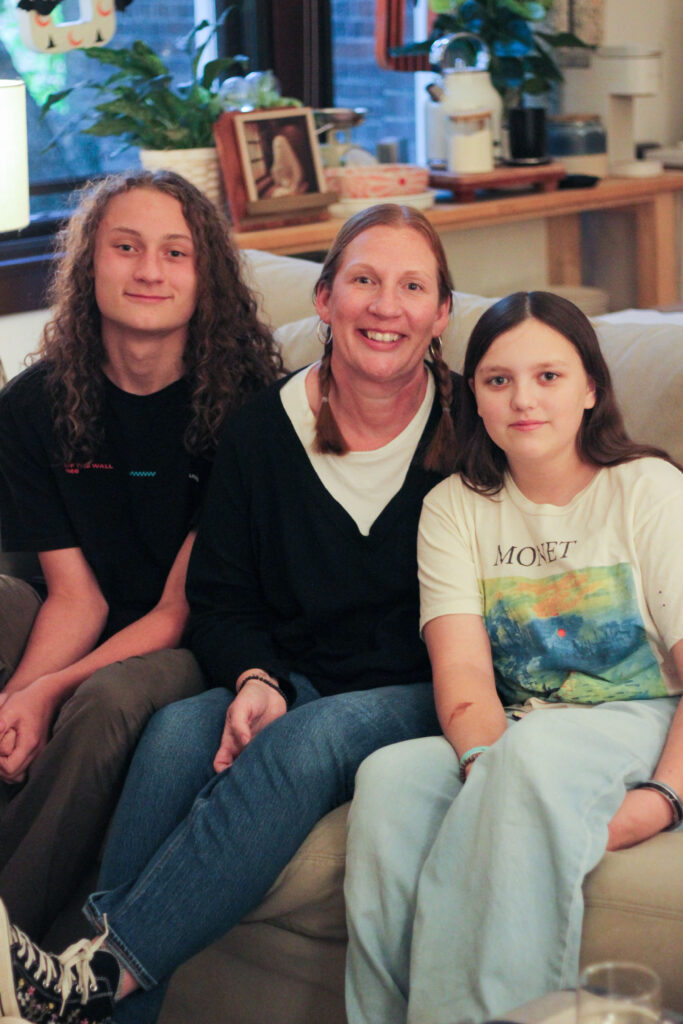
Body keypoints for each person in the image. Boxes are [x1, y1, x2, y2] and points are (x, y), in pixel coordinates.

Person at [0, 201, 460, 1024]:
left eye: (410, 286)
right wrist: (254, 674)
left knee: (304, 737)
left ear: (440, 314)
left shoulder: (473, 428)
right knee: (177, 734)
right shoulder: (260, 429)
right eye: (362, 280)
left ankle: (97, 979)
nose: (384, 306)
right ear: (324, 300)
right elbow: (221, 597)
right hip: (291, 669)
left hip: (425, 685)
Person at [343, 291, 683, 1024]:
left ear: (591, 388)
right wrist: (482, 769)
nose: (522, 399)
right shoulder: (455, 509)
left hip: (643, 713)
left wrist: (663, 798)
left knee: (532, 755)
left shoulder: (648, 490)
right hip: (525, 729)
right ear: (475, 397)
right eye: (498, 381)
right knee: (390, 777)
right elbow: (463, 674)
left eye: (549, 377)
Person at [0, 169, 281, 941]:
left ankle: (10, 940)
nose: (148, 271)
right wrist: (19, 702)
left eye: (174, 253)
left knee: (105, 702)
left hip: (190, 642)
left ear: (206, 278)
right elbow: (74, 598)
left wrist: (52, 692)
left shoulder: (250, 413)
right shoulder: (33, 405)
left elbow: (174, 612)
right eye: (125, 247)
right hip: (86, 617)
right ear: (90, 263)